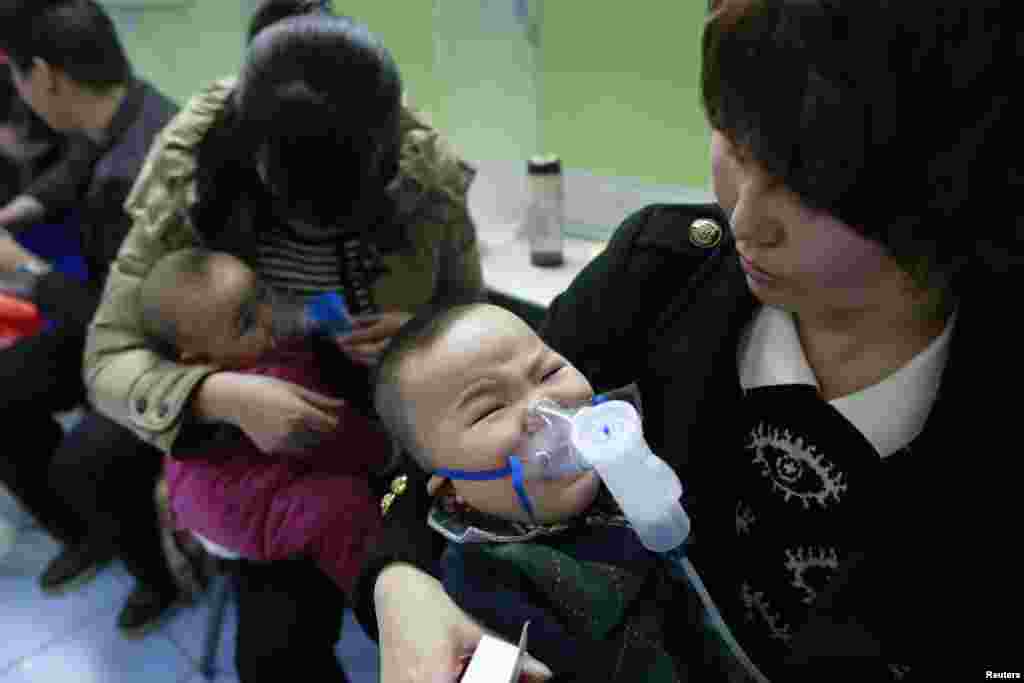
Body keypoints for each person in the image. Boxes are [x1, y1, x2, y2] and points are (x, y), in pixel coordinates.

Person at [350, 0, 1023, 680]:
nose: (745, 218)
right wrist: (400, 582)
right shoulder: (661, 276)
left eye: (813, 192)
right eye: (733, 146)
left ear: (942, 203)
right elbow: (430, 430)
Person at [83, 1, 484, 678]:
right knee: (275, 658)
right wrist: (216, 392)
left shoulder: (424, 172)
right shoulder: (191, 168)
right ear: (258, 162)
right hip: (272, 456)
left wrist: (419, 337)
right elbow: (107, 361)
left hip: (396, 427)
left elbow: (468, 314)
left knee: (460, 606)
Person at [372, 301, 698, 682]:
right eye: (489, 410)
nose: (544, 408)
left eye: (549, 372)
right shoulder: (485, 592)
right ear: (449, 487)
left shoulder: (634, 457)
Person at [0, 0, 181, 634]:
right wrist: (19, 210)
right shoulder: (131, 107)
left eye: (17, 77)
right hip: (123, 314)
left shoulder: (132, 179)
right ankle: (87, 534)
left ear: (44, 76)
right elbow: (74, 165)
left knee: (90, 460)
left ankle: (158, 576)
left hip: (161, 346)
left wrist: (21, 269)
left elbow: (116, 320)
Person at [139, 247, 391, 594]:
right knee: (344, 505)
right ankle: (377, 595)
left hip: (202, 495)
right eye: (246, 323)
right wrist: (386, 453)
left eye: (261, 296)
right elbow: (338, 435)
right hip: (243, 513)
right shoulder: (268, 388)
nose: (268, 317)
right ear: (198, 358)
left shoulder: (205, 373)